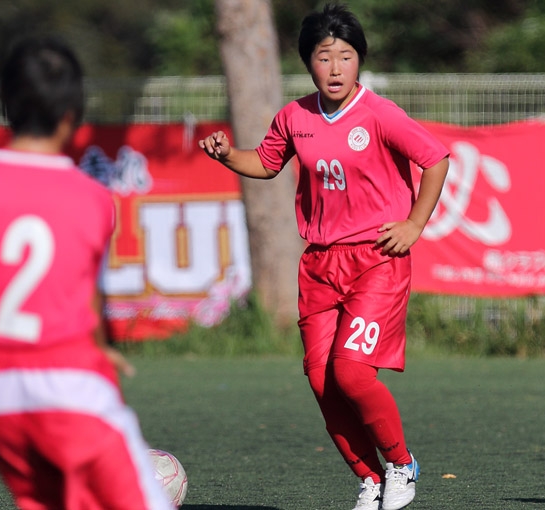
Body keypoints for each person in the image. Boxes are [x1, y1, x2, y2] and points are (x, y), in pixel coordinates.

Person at [199, 3, 449, 509]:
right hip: (319, 264)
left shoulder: (379, 113)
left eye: (346, 56)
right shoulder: (295, 117)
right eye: (324, 57)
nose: (335, 68)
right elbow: (265, 163)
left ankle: (401, 465)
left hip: (376, 259)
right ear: (307, 62)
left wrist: (414, 224)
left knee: (351, 373)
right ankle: (370, 479)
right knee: (320, 380)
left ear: (360, 61)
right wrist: (227, 155)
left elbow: (436, 158)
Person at [0, 36, 173, 510]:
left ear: (5, 105)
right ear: (72, 114)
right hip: (71, 385)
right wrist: (99, 347)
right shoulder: (91, 198)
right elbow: (84, 289)